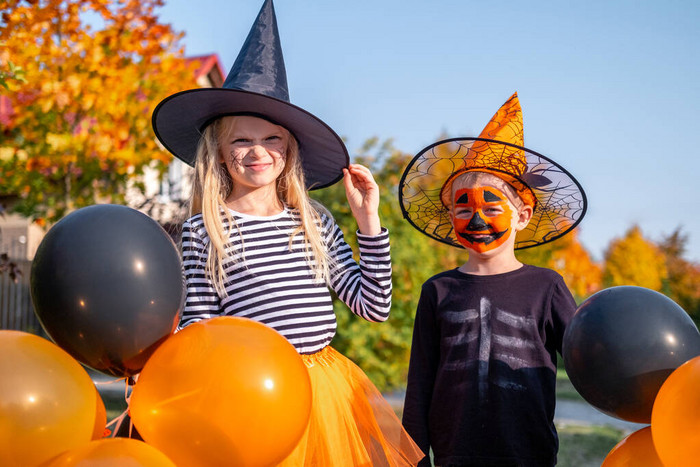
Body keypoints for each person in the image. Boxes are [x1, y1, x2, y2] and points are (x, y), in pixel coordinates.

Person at [151, 1, 423, 465]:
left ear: (289, 150)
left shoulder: (314, 222)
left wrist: (368, 222)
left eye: (271, 139)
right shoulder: (203, 232)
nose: (257, 151)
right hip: (252, 394)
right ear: (218, 153)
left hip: (323, 394)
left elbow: (374, 307)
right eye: (241, 140)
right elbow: (198, 328)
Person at [398, 93, 587, 467]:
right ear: (451, 219)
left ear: (522, 216)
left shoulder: (546, 288)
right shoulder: (437, 290)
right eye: (464, 208)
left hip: (527, 454)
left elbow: (589, 358)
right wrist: (413, 455)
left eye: (491, 207)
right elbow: (420, 381)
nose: (477, 221)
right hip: (453, 455)